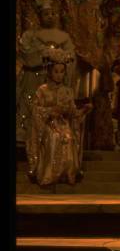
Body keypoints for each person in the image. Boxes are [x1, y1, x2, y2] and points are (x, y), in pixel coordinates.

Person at [26, 47, 92, 186]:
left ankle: (67, 174)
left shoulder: (68, 91)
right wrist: (51, 111)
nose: (59, 75)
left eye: (62, 72)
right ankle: (49, 175)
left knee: (68, 136)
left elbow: (73, 113)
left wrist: (83, 110)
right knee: (53, 137)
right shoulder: (42, 90)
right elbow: (36, 111)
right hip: (48, 125)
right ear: (50, 71)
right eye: (56, 71)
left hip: (64, 124)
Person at [17, 0, 76, 143]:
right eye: (45, 13)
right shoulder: (29, 35)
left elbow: (70, 56)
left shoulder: (63, 36)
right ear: (39, 16)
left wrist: (59, 57)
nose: (49, 16)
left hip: (55, 85)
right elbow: (26, 53)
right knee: (31, 111)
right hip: (32, 80)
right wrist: (44, 53)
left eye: (52, 13)